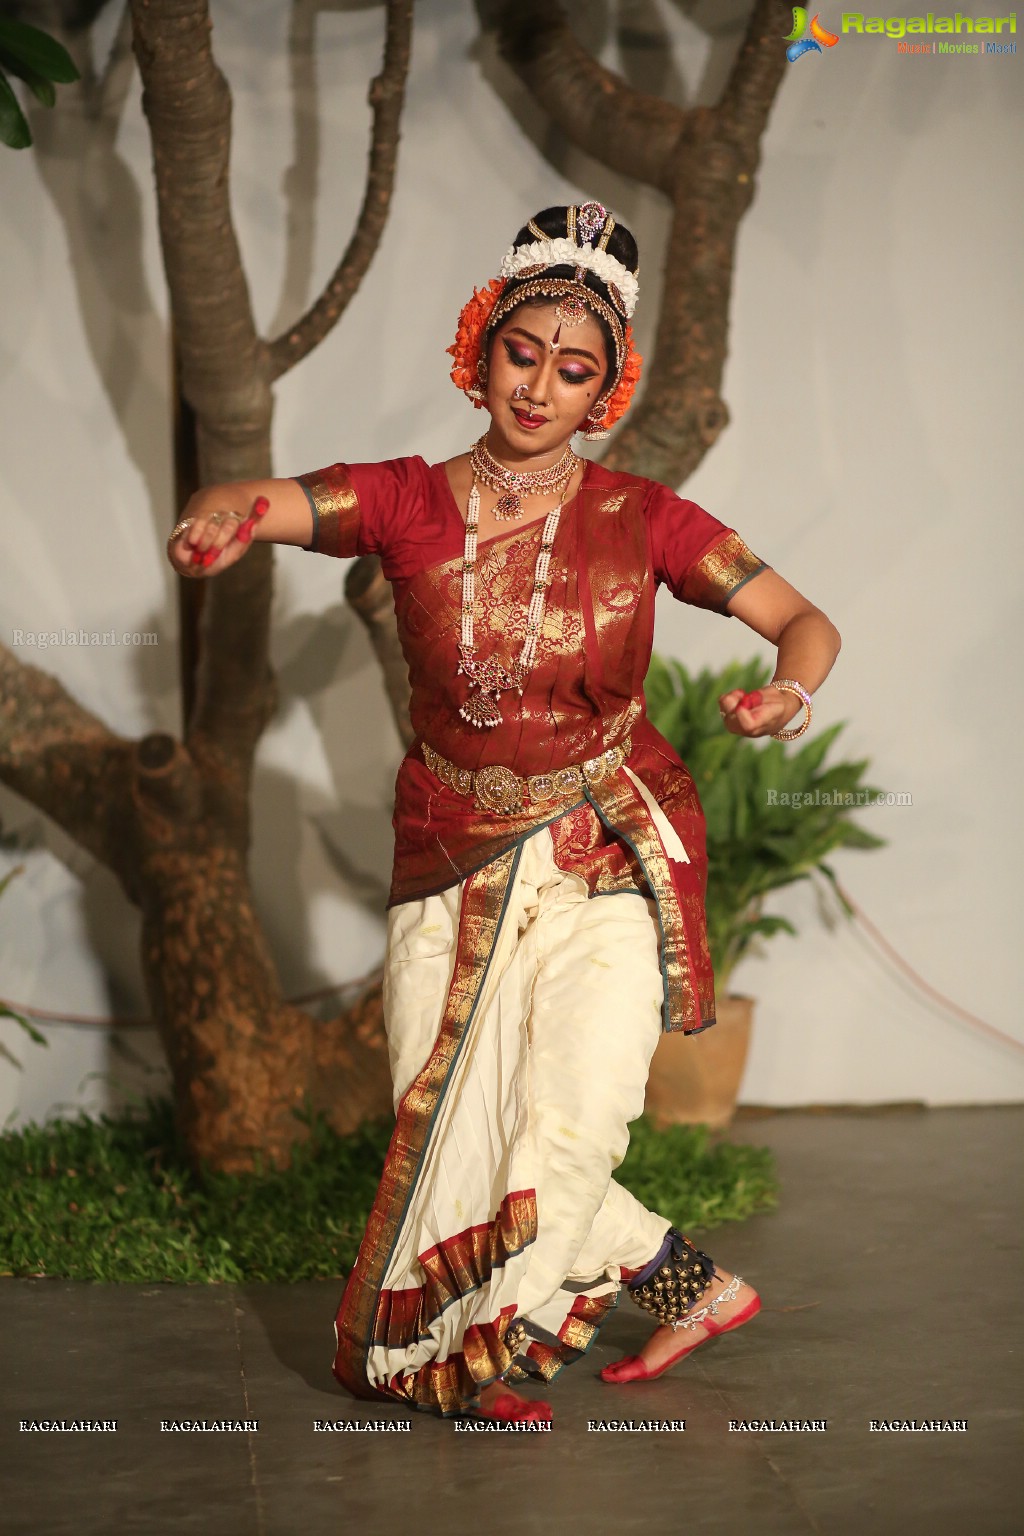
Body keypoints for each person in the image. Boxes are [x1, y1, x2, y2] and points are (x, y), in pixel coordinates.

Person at [167, 202, 841, 1424]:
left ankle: (471, 1363)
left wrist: (787, 691)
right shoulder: (408, 501)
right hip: (449, 851)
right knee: (451, 1133)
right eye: (521, 353)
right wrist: (224, 515)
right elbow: (262, 499)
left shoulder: (649, 520)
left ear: (604, 392)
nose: (539, 386)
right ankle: (694, 1286)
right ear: (480, 350)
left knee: (575, 1116)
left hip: (603, 850)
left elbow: (807, 621)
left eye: (572, 369)